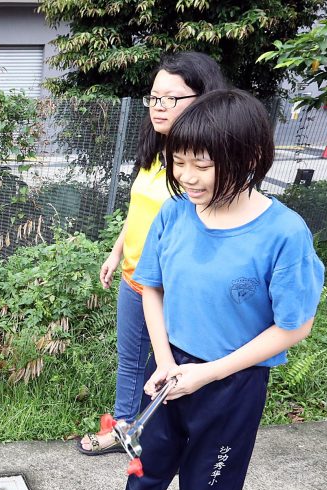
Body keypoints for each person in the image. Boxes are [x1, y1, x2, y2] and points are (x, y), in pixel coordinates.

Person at [82, 90, 324, 490]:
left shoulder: (283, 233)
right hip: (168, 368)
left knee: (209, 482)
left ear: (250, 159)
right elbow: (152, 287)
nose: (187, 177)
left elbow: (294, 326)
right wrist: (166, 361)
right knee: (146, 462)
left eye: (202, 165)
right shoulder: (174, 213)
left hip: (233, 382)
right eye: (179, 163)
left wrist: (207, 374)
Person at [77, 52, 228, 456]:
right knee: (130, 361)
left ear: (203, 99)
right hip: (134, 276)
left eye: (170, 98)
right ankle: (126, 426)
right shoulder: (156, 150)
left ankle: (154, 434)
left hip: (171, 287)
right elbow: (139, 212)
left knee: (169, 367)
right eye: (153, 98)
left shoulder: (209, 168)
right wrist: (115, 253)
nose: (158, 107)